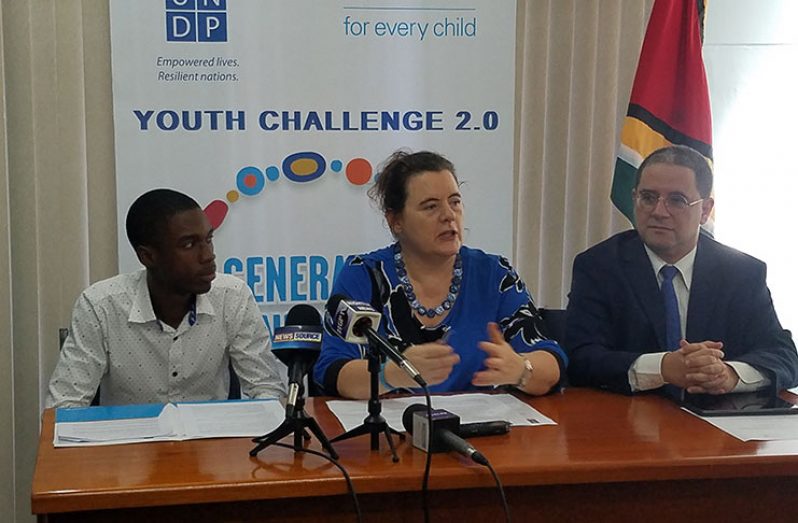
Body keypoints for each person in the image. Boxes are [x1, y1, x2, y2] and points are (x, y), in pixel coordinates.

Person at [314, 150, 567, 399]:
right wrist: (390, 374)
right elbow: (332, 372)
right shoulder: (364, 275)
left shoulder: (495, 275)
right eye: (431, 206)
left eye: (455, 202)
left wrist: (521, 370)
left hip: (483, 435)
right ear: (395, 221)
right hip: (391, 435)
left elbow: (551, 362)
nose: (448, 215)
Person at [566, 145, 798, 396]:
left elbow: (784, 356)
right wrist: (662, 367)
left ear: (705, 210)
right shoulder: (600, 266)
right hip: (629, 421)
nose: (659, 211)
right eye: (648, 197)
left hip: (716, 423)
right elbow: (580, 358)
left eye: (677, 200)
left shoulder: (741, 272)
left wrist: (729, 375)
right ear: (634, 198)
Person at [47, 189, 286, 407]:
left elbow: (266, 389)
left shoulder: (232, 297)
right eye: (189, 244)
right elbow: (65, 407)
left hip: (210, 447)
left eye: (209, 239)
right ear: (148, 256)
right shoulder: (100, 306)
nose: (208, 256)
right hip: (130, 448)